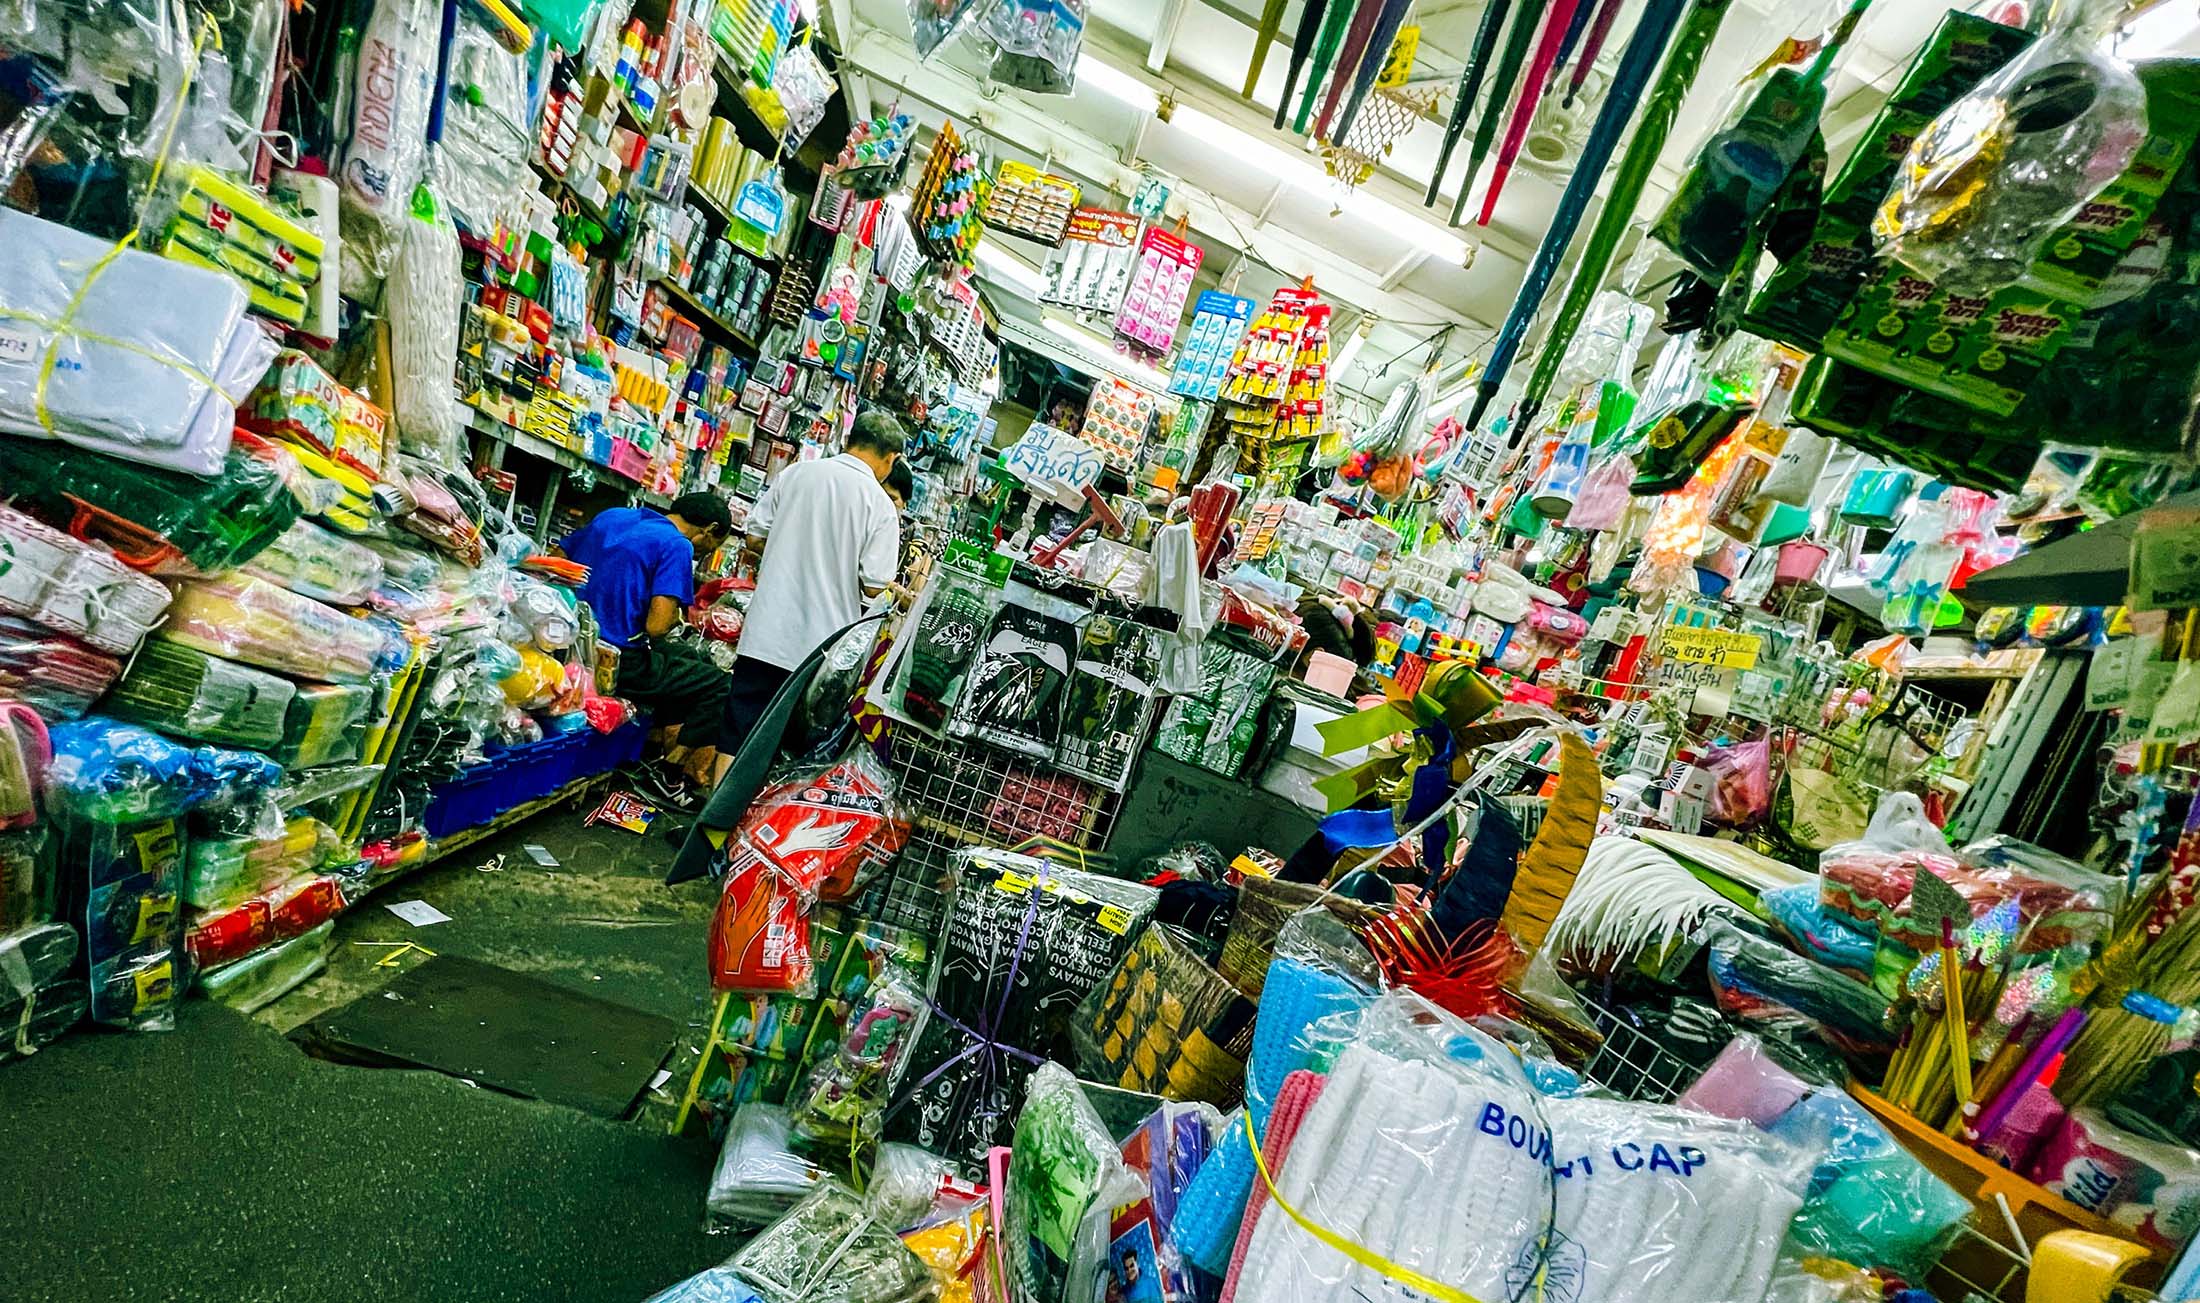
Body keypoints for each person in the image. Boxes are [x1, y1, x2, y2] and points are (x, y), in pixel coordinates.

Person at [723, 410, 905, 764]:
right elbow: (874, 586)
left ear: (849, 440)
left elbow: (754, 538)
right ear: (890, 458)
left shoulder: (796, 474)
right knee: (792, 747)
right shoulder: (880, 506)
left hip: (765, 631)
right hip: (821, 648)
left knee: (738, 728)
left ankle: (719, 799)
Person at [557, 492, 733, 779]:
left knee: (686, 657)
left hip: (566, 638)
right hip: (616, 662)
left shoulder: (613, 516)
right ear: (709, 530)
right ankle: (670, 769)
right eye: (715, 544)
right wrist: (674, 617)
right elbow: (657, 626)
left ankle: (650, 746)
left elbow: (558, 558)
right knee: (721, 684)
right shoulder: (678, 545)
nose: (707, 552)